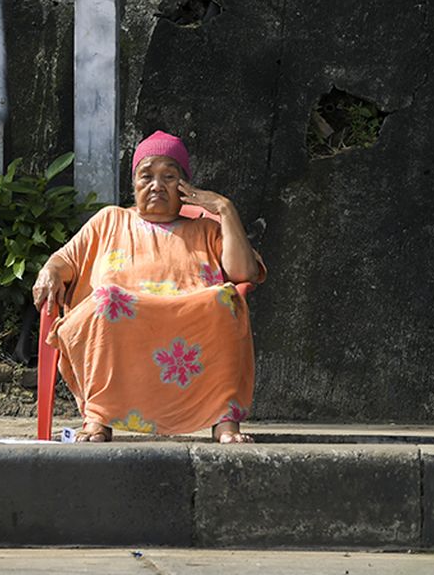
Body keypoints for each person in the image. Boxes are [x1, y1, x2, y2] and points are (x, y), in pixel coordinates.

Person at [32, 131, 265, 443]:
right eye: (147, 176)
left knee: (225, 299)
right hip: (121, 320)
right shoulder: (110, 220)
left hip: (190, 321)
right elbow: (65, 259)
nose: (157, 185)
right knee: (106, 300)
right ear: (134, 184)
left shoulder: (206, 229)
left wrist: (224, 208)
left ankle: (225, 424)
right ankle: (98, 418)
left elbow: (243, 272)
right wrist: (49, 271)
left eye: (169, 176)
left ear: (185, 187)